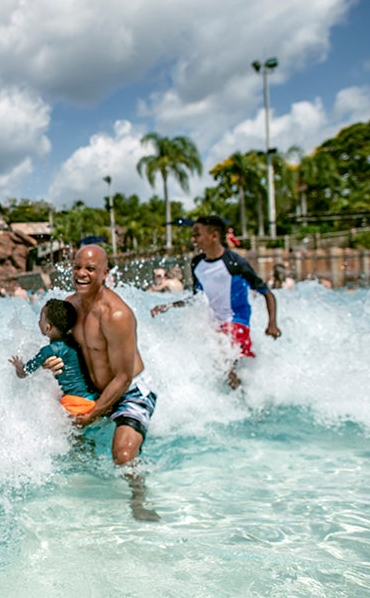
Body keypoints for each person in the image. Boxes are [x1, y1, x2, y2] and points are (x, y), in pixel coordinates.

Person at [44, 245, 160, 522]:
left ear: (105, 273)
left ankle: (138, 499)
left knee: (122, 454)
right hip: (93, 387)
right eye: (77, 267)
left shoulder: (116, 315)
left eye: (90, 269)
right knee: (69, 442)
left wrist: (94, 413)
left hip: (130, 390)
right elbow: (61, 348)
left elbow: (123, 376)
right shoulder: (69, 306)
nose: (81, 274)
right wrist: (53, 362)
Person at [150, 215, 281, 389]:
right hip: (215, 322)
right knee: (214, 363)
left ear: (214, 236)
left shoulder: (235, 263)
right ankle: (237, 396)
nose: (193, 239)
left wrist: (272, 324)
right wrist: (169, 306)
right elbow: (197, 298)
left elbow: (267, 294)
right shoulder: (197, 263)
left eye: (197, 234)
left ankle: (245, 403)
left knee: (227, 365)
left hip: (238, 321)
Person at [9, 299, 95, 416]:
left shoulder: (48, 351)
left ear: (47, 327)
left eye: (40, 320)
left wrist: (18, 365)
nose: (38, 323)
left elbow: (24, 372)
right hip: (91, 398)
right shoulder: (75, 341)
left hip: (74, 403)